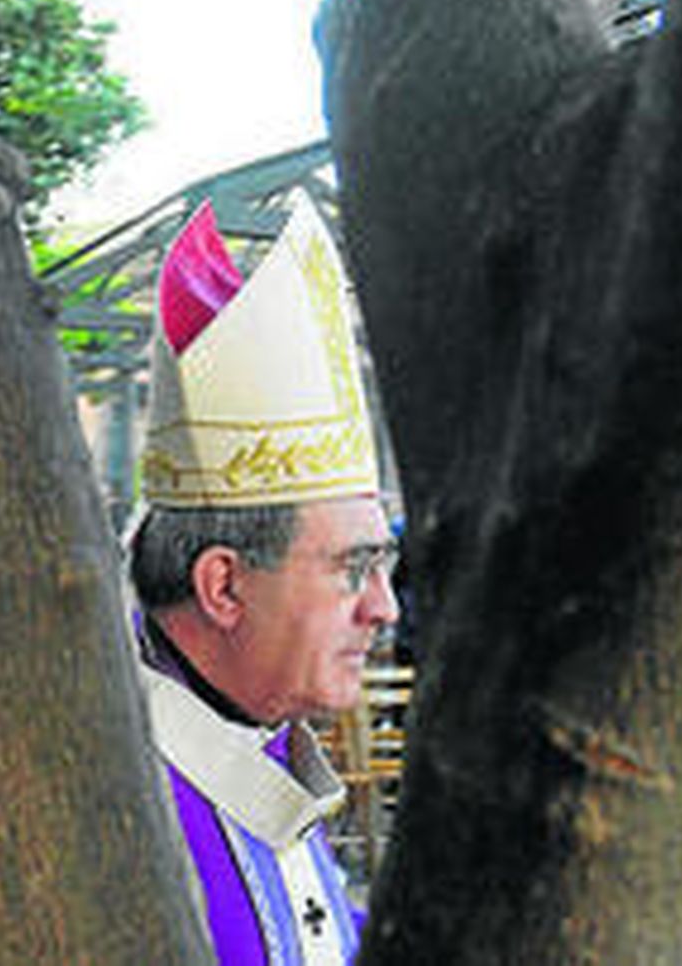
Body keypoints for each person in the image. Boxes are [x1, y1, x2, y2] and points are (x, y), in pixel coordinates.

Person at [128, 197, 398, 964]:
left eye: (382, 565)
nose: (384, 608)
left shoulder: (267, 750)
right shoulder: (118, 801)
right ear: (223, 588)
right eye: (354, 569)